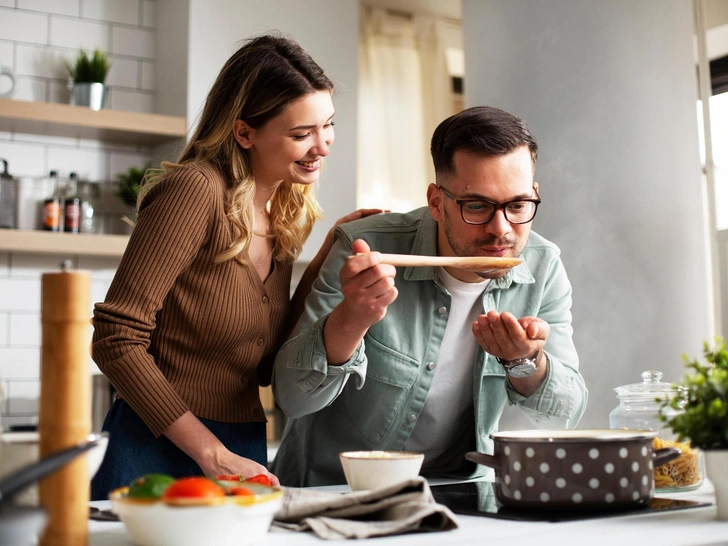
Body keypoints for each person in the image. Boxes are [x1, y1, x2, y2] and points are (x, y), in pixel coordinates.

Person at [91, 34, 379, 499]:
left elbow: (268, 360)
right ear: (244, 133)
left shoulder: (285, 209)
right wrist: (211, 452)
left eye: (327, 125)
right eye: (301, 134)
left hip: (242, 443)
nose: (322, 146)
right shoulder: (195, 190)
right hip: (155, 447)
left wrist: (330, 250)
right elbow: (115, 339)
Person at [270, 106, 588, 486]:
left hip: (456, 491)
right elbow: (292, 398)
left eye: (518, 205)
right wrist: (352, 318)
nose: (500, 229)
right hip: (333, 489)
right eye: (477, 206)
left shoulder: (543, 266)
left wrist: (524, 361)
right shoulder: (367, 248)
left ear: (534, 195)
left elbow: (565, 414)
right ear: (437, 202)